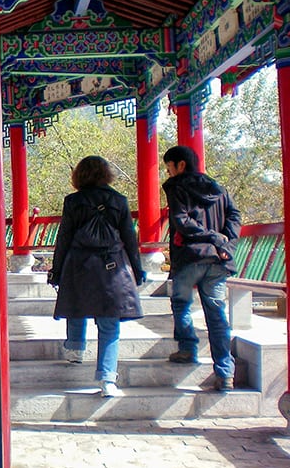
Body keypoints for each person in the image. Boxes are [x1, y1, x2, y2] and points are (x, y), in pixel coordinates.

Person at [48, 155, 144, 398]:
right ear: (106, 174)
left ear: (79, 175)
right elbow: (129, 239)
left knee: (77, 305)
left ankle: (75, 349)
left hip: (78, 262)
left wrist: (56, 271)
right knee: (109, 323)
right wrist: (137, 269)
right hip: (112, 265)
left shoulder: (73, 201)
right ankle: (107, 379)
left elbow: (64, 239)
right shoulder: (119, 201)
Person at [162, 145, 241, 391]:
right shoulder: (218, 188)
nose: (169, 173)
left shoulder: (177, 187)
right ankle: (225, 372)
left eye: (169, 167)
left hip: (190, 257)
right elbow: (235, 215)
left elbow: (181, 221)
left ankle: (187, 348)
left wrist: (213, 239)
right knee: (217, 317)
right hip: (218, 260)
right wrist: (225, 243)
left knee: (181, 304)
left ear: (181, 165)